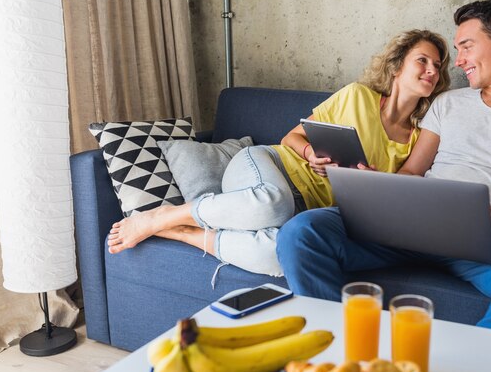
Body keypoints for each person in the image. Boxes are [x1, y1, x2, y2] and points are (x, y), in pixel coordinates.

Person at [276, 0, 491, 338]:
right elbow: (411, 173)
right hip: (412, 223)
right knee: (301, 232)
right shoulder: (448, 103)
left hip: (489, 236)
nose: (460, 62)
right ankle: (350, 350)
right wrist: (379, 185)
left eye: (466, 47)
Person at [106, 29, 451, 278]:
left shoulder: (416, 138)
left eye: (438, 66)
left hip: (308, 208)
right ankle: (164, 216)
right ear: (396, 67)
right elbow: (292, 136)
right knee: (273, 202)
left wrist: (373, 183)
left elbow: (398, 194)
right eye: (423, 60)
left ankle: (190, 234)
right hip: (268, 166)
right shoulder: (357, 96)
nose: (432, 71)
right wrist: (311, 153)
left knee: (281, 254)